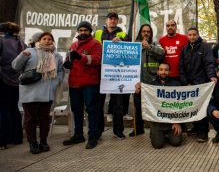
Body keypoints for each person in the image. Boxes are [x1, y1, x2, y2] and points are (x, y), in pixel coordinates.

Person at [12, 32, 64, 154]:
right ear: (39, 40)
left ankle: (43, 141)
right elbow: (15, 66)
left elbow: (60, 70)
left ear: (53, 41)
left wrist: (56, 81)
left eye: (49, 39)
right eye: (44, 39)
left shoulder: (56, 55)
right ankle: (32, 143)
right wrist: (23, 56)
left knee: (45, 119)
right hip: (30, 91)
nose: (47, 41)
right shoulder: (30, 51)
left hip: (47, 91)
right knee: (30, 119)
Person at [62, 21, 102, 149]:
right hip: (74, 83)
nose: (83, 32)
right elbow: (68, 59)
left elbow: (97, 59)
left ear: (90, 31)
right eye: (81, 30)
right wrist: (67, 63)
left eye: (85, 30)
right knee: (76, 110)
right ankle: (78, 135)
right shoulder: (74, 44)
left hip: (89, 83)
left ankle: (93, 136)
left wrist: (80, 57)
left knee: (92, 110)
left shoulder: (96, 43)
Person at [94, 12, 131, 139]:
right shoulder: (97, 33)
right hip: (100, 73)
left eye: (115, 19)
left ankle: (118, 131)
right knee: (99, 104)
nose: (113, 21)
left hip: (117, 75)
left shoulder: (123, 34)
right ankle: (97, 132)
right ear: (106, 20)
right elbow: (94, 49)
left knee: (118, 104)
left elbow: (128, 52)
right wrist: (109, 42)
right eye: (110, 18)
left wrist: (120, 43)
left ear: (117, 21)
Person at [179, 27, 217, 142]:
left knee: (202, 108)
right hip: (189, 84)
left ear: (198, 35)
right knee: (192, 107)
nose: (192, 37)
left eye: (194, 34)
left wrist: (211, 76)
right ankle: (195, 128)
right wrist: (185, 82)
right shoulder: (184, 49)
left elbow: (209, 63)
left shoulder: (205, 47)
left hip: (202, 83)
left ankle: (203, 133)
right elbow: (181, 67)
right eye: (189, 35)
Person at [130, 23, 165, 137]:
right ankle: (138, 129)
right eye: (144, 31)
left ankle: (155, 130)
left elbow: (161, 53)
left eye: (148, 32)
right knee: (138, 107)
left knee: (153, 107)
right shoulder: (135, 46)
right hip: (138, 83)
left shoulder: (156, 44)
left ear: (151, 34)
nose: (146, 33)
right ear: (140, 32)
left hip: (153, 83)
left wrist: (149, 47)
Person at [138, 62, 183, 149]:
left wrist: (177, 121)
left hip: (172, 121)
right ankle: (156, 132)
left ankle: (167, 134)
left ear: (170, 72)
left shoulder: (176, 84)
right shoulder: (151, 84)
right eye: (161, 70)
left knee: (176, 142)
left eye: (166, 70)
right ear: (158, 71)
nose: (163, 72)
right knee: (158, 145)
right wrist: (138, 91)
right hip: (157, 121)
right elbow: (145, 100)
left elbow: (180, 104)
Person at [0, 22, 25, 149]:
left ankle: (3, 141)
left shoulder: (2, 41)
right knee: (13, 108)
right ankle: (17, 138)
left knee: (3, 109)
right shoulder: (21, 43)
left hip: (2, 80)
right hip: (16, 81)